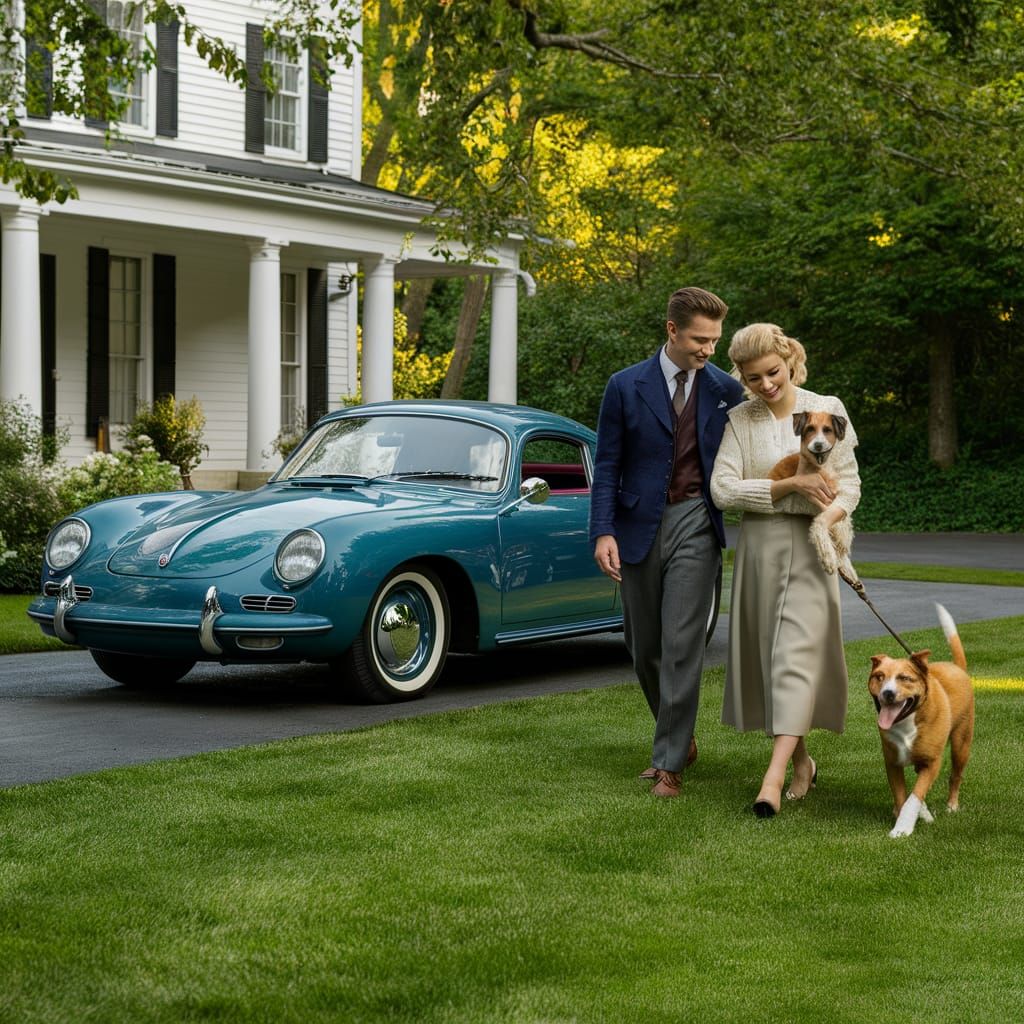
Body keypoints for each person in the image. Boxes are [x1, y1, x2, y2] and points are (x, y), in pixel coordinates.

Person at [590, 287, 745, 797]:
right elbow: (607, 464)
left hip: (698, 519)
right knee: (642, 647)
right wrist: (603, 530)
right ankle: (679, 735)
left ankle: (669, 763)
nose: (709, 350)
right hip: (637, 525)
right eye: (700, 340)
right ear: (672, 330)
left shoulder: (727, 390)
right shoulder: (624, 385)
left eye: (715, 340)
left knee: (681, 643)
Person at [709, 323, 861, 817]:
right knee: (772, 663)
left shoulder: (827, 408)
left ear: (789, 360)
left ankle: (770, 782)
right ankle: (801, 763)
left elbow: (850, 486)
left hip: (814, 547)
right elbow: (722, 490)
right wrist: (788, 486)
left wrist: (827, 524)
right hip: (761, 548)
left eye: (773, 372)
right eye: (753, 378)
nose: (766, 384)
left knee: (795, 658)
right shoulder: (739, 420)